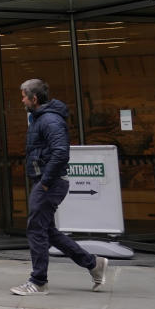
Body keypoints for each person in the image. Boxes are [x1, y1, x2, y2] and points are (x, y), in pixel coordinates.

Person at [11, 79, 108, 296]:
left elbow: (61, 151)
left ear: (34, 99)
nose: (22, 100)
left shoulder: (50, 120)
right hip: (47, 181)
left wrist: (45, 182)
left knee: (36, 230)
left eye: (24, 96)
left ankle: (38, 282)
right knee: (47, 231)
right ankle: (93, 264)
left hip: (50, 183)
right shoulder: (39, 118)